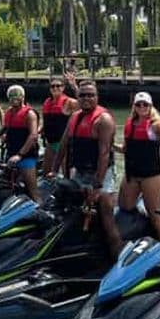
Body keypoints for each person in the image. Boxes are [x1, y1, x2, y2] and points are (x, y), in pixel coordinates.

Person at [51, 80, 121, 256]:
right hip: (81, 171)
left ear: (97, 97)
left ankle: (117, 256)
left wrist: (97, 186)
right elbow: (63, 145)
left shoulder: (103, 120)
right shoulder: (74, 117)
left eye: (91, 95)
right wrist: (53, 170)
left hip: (101, 174)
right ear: (77, 97)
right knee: (72, 207)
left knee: (106, 216)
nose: (86, 98)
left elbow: (104, 154)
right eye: (83, 95)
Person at [115, 91, 160, 246]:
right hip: (133, 174)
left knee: (154, 213)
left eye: (145, 104)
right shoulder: (130, 124)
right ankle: (142, 229)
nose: (142, 107)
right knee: (125, 206)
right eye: (138, 104)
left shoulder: (155, 125)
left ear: (150, 106)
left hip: (152, 175)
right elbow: (125, 149)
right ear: (134, 106)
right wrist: (110, 145)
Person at [0, 85, 41, 202]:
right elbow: (5, 128)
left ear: (23, 97)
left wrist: (20, 155)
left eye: (17, 95)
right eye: (11, 96)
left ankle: (41, 210)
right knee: (9, 186)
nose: (14, 98)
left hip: (26, 156)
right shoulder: (9, 112)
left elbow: (33, 136)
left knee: (33, 190)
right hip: (11, 154)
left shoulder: (30, 114)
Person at [40, 74, 79, 176]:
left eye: (58, 86)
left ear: (63, 88)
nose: (55, 88)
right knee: (46, 173)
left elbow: (84, 103)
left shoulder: (69, 102)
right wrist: (36, 132)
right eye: (53, 86)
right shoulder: (47, 102)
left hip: (64, 144)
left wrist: (74, 86)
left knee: (66, 173)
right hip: (50, 143)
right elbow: (45, 123)